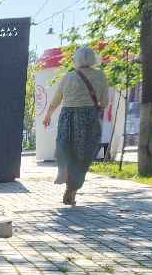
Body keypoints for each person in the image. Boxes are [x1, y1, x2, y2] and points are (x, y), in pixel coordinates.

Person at [41, 45, 109, 205]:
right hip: (89, 120)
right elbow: (105, 102)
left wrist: (48, 117)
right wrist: (93, 112)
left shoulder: (69, 76)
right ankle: (72, 190)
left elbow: (55, 100)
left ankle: (63, 170)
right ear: (92, 59)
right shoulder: (100, 76)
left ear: (77, 59)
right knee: (83, 155)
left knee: (65, 148)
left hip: (68, 119)